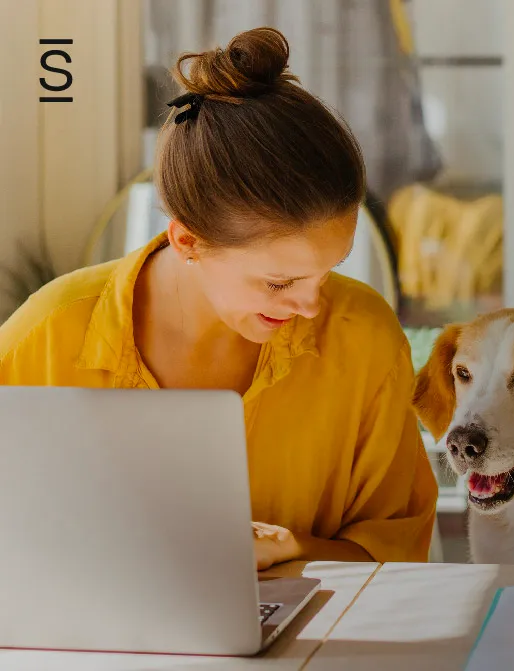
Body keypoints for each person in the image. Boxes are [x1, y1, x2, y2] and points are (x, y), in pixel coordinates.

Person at [0, 27, 438, 569]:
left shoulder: (364, 336)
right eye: (280, 282)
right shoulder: (46, 334)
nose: (311, 306)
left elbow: (396, 551)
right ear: (188, 240)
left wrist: (293, 548)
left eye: (326, 272)